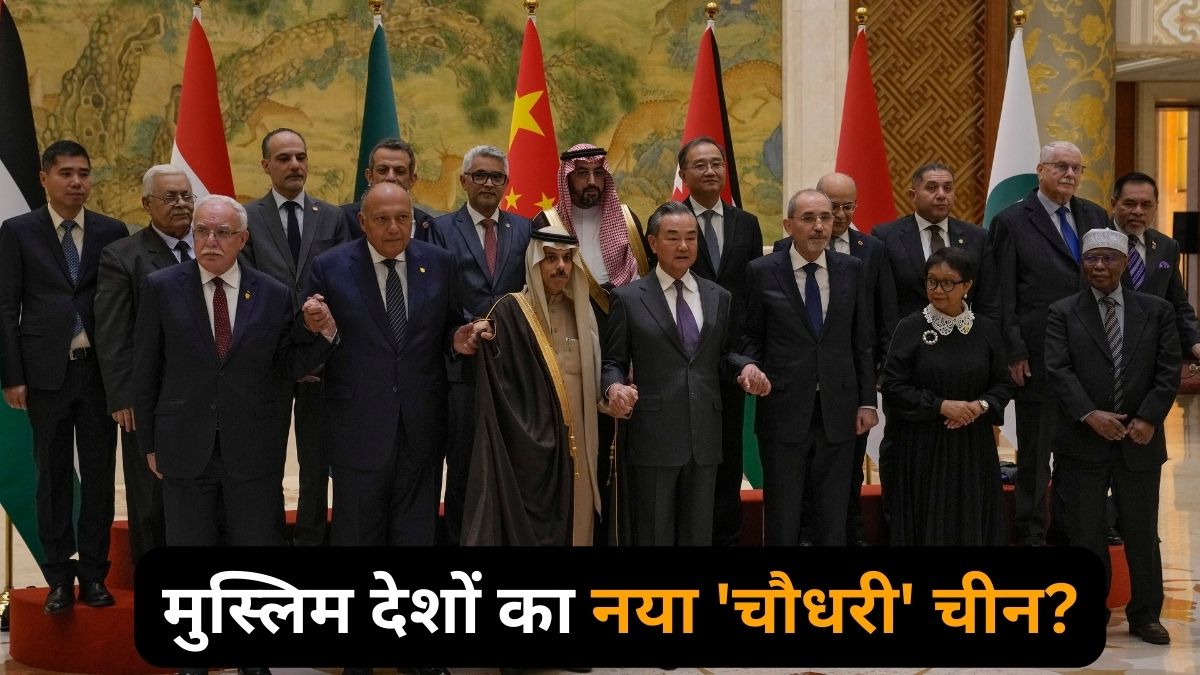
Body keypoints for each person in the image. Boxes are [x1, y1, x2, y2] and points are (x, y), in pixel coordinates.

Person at [133, 195, 337, 549]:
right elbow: (147, 369)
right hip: (184, 446)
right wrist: (149, 444)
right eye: (202, 231)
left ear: (242, 239)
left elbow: (286, 367)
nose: (210, 241)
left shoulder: (272, 293)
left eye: (223, 232)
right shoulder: (160, 287)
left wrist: (325, 335)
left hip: (252, 450)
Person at [303, 182, 481, 548]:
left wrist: (456, 340)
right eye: (382, 219)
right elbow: (308, 347)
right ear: (362, 222)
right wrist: (315, 327)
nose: (394, 228)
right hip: (358, 430)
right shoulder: (330, 267)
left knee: (416, 534)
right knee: (357, 536)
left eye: (403, 218)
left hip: (421, 429)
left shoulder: (440, 263)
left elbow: (450, 324)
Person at [0, 140, 127, 614]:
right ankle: (57, 576)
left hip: (98, 374)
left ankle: (94, 574)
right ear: (44, 178)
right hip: (44, 375)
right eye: (66, 173)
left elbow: (121, 305)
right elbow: (6, 306)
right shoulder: (19, 231)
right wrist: (13, 376)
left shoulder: (111, 230)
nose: (77, 182)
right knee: (51, 477)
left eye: (84, 174)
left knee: (98, 478)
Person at [601, 201, 769, 546]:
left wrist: (746, 367)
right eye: (673, 237)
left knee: (698, 535)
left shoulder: (718, 296)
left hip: (705, 436)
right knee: (654, 534)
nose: (683, 246)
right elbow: (612, 361)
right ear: (652, 242)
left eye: (691, 238)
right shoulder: (628, 298)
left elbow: (724, 355)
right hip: (653, 436)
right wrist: (614, 388)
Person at [1045, 228, 1180, 645]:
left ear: (1124, 262)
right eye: (1092, 259)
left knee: (1142, 531)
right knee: (1085, 533)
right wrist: (1089, 414)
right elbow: (1058, 370)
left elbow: (1168, 368)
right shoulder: (1063, 312)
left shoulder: (1156, 310)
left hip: (1140, 440)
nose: (1100, 266)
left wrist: (1149, 418)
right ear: (1082, 263)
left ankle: (1146, 614)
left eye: (1108, 258)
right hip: (1082, 441)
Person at [988, 140, 1109, 546]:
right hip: (1037, 354)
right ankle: (1030, 531)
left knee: (1080, 451)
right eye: (1060, 166)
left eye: (1077, 168)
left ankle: (1071, 529)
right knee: (1036, 454)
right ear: (1040, 170)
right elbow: (1002, 294)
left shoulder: (1095, 215)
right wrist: (1014, 350)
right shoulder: (1011, 221)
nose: (1070, 174)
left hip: (1088, 355)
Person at [742, 189, 877, 546]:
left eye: (825, 218)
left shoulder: (851, 269)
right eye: (808, 219)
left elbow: (861, 340)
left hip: (839, 409)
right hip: (783, 409)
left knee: (833, 516)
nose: (819, 226)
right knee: (784, 516)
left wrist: (867, 401)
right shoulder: (762, 271)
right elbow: (750, 336)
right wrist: (751, 366)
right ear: (788, 225)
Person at [533, 143, 651, 545]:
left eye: (598, 174)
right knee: (582, 450)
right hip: (571, 343)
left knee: (622, 450)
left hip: (624, 340)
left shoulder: (628, 220)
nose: (591, 182)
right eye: (581, 174)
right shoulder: (548, 222)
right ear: (567, 179)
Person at [772, 172, 897, 545]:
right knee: (796, 483)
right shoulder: (781, 252)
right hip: (794, 392)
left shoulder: (870, 251)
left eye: (846, 207)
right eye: (831, 207)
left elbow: (878, 321)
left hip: (846, 387)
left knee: (845, 477)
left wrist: (874, 381)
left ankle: (849, 534)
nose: (837, 216)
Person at [241, 127, 351, 546]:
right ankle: (268, 539)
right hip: (267, 361)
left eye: (300, 157)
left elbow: (344, 284)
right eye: (284, 158)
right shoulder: (247, 218)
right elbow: (246, 293)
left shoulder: (333, 217)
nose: (294, 165)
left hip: (319, 361)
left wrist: (314, 353)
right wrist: (285, 356)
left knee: (315, 461)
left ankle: (310, 539)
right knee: (263, 459)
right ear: (265, 165)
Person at [463, 223, 606, 546]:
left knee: (579, 523)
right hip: (529, 451)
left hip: (579, 445)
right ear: (534, 262)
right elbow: (497, 379)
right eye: (550, 258)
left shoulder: (583, 314)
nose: (560, 267)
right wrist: (485, 338)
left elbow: (597, 382)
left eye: (567, 259)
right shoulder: (511, 312)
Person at [431, 145, 531, 544]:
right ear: (464, 181)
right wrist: (463, 331)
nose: (488, 183)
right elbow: (433, 296)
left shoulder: (525, 229)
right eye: (480, 175)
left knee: (513, 465)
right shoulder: (440, 229)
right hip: (462, 368)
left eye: (496, 177)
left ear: (507, 183)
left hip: (512, 370)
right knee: (463, 468)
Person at [879, 247, 1013, 545]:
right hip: (922, 443)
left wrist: (980, 406)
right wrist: (940, 406)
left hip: (972, 443)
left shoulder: (986, 329)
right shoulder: (910, 327)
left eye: (948, 282)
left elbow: (1002, 384)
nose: (938, 290)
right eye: (932, 281)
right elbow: (893, 385)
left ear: (967, 285)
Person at [95, 164, 194, 565]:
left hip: (209, 394)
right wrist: (123, 396)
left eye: (186, 195)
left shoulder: (215, 245)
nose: (181, 204)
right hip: (150, 400)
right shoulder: (123, 255)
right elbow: (112, 333)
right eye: (169, 197)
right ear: (146, 204)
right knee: (151, 499)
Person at [678, 135, 764, 547]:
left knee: (729, 453)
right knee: (688, 454)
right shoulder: (671, 221)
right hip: (684, 357)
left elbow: (753, 293)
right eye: (700, 164)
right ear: (683, 173)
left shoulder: (746, 223)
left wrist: (748, 353)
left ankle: (725, 539)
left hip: (733, 359)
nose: (711, 171)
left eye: (717, 163)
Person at [872, 162, 997, 323]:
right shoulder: (886, 237)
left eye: (948, 188)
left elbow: (989, 302)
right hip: (907, 334)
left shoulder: (978, 237)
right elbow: (881, 302)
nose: (941, 195)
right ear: (913, 195)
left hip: (964, 334)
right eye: (931, 188)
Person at [1110, 172, 1200, 360]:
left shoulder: (1167, 246)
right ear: (1113, 204)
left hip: (1153, 354)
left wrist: (1195, 342)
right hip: (1108, 351)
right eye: (1130, 203)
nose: (1138, 211)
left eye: (1146, 205)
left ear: (1156, 207)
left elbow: (1178, 304)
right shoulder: (1094, 242)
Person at [342, 137, 437, 242]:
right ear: (369, 176)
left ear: (412, 180)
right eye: (382, 170)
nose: (391, 177)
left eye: (400, 171)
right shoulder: (342, 219)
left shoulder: (430, 226)